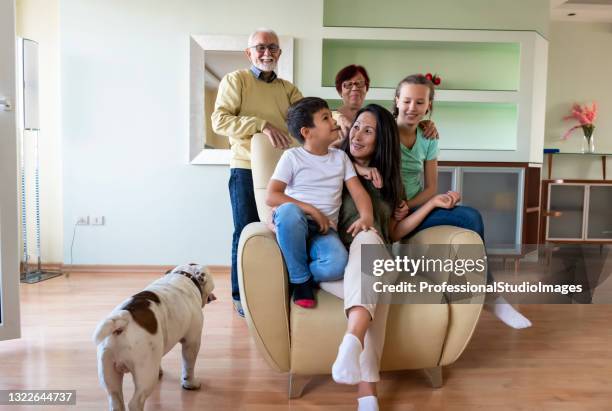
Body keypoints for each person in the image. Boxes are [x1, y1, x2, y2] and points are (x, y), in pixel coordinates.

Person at [328, 104, 455, 411]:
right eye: (356, 126)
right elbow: (315, 129)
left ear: (381, 139)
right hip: (335, 265)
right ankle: (366, 391)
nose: (357, 135)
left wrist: (431, 204)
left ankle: (353, 349)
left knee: (371, 239)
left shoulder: (389, 179)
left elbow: (395, 232)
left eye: (368, 131)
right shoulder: (332, 160)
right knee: (378, 292)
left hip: (376, 257)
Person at [391, 73, 532, 329]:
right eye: (408, 101)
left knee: (469, 216)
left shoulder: (428, 137)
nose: (413, 108)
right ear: (397, 100)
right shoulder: (383, 130)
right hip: (386, 210)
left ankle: (490, 295)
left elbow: (432, 186)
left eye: (420, 102)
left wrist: (436, 200)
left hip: (415, 208)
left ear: (429, 106)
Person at [211, 28, 303, 317]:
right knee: (246, 233)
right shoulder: (235, 80)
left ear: (279, 52)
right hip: (246, 169)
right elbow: (220, 120)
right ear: (248, 53)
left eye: (272, 47)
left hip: (285, 173)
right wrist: (261, 124)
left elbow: (308, 115)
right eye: (260, 47)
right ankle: (242, 298)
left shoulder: (288, 89)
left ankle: (277, 293)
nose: (267, 53)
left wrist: (341, 118)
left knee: (283, 232)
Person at [266, 97, 374, 308]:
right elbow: (272, 195)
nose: (333, 120)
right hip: (295, 223)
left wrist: (366, 216)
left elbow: (359, 192)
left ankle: (297, 272)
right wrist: (312, 210)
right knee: (288, 212)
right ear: (307, 132)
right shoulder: (292, 157)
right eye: (325, 118)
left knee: (337, 264)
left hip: (323, 230)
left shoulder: (340, 158)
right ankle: (300, 282)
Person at [332, 64, 438, 146]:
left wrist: (425, 124)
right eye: (348, 84)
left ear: (366, 88)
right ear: (339, 90)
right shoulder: (330, 120)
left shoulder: (374, 118)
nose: (355, 88)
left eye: (360, 83)